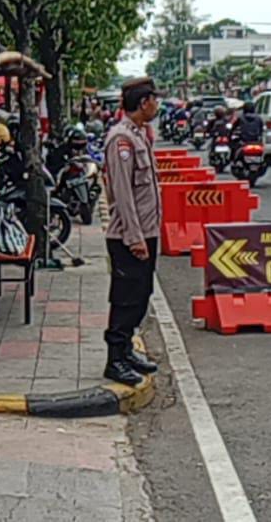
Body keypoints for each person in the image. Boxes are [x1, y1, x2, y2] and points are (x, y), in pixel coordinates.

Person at [101, 77, 163, 386]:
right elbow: (123, 194)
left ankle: (126, 351)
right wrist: (134, 237)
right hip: (129, 235)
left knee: (141, 295)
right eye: (154, 100)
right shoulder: (121, 140)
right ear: (143, 103)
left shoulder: (138, 134)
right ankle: (115, 359)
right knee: (126, 299)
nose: (157, 106)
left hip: (146, 230)